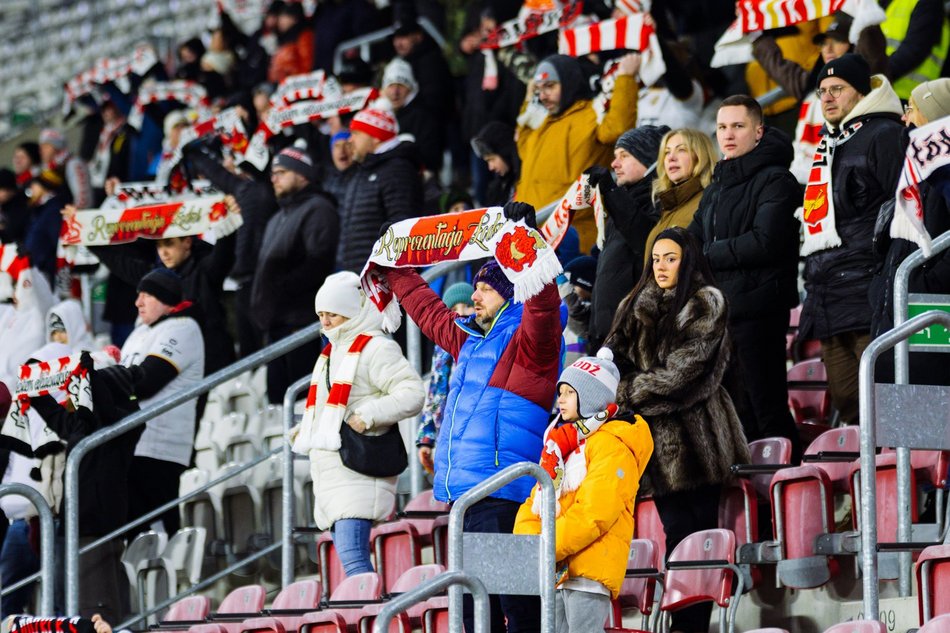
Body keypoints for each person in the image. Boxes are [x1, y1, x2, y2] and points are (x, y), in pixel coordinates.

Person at [380, 202, 560, 633]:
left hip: (505, 493)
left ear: (510, 291)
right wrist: (394, 265)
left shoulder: (531, 341)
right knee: (472, 613)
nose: (473, 295)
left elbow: (542, 301)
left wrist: (523, 240)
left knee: (516, 613)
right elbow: (426, 310)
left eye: (485, 289)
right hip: (468, 497)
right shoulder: (470, 341)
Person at [604, 227, 750, 633]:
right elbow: (610, 359)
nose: (662, 266)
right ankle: (683, 622)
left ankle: (692, 624)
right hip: (655, 446)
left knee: (697, 537)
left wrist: (629, 391)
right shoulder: (634, 304)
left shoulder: (707, 302)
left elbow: (687, 375)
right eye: (656, 258)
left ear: (687, 260)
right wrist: (619, 387)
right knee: (674, 534)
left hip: (698, 441)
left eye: (671, 258)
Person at [688, 95, 802, 458]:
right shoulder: (717, 186)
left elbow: (765, 242)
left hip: (760, 312)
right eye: (722, 127)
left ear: (758, 131)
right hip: (722, 314)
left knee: (767, 410)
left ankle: (791, 496)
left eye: (738, 126)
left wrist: (708, 254)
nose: (728, 134)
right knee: (738, 417)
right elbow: (692, 239)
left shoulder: (777, 180)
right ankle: (758, 509)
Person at [291, 272, 424, 576]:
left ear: (351, 312)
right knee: (349, 560)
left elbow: (413, 393)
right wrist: (307, 429)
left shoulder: (376, 348)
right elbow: (328, 407)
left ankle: (377, 618)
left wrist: (368, 416)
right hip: (334, 473)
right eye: (321, 315)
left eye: (332, 314)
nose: (324, 322)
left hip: (358, 471)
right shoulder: (329, 353)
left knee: (354, 561)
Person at [798, 55, 904, 425]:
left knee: (877, 397)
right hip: (828, 290)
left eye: (837, 89)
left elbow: (903, 205)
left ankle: (893, 480)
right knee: (847, 399)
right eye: (822, 91)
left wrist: (883, 270)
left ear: (861, 92)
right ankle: (865, 483)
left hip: (866, 286)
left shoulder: (884, 134)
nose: (827, 98)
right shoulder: (833, 141)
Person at [514, 350, 653, 633]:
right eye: (560, 392)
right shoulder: (560, 446)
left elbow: (596, 512)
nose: (560, 399)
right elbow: (535, 502)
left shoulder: (613, 444)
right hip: (556, 568)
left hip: (589, 568)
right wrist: (530, 546)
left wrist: (546, 546)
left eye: (569, 392)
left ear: (590, 397)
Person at [868, 78, 950, 387]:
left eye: (911, 109)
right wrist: (881, 287)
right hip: (896, 315)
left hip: (931, 322)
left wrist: (922, 282)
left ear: (933, 115)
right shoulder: (915, 169)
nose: (904, 117)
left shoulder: (942, 174)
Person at [516, 53, 640, 253]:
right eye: (539, 89)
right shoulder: (542, 123)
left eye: (550, 86)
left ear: (569, 82)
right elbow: (522, 146)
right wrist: (528, 98)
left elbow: (618, 128)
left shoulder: (592, 114)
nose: (543, 95)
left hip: (575, 242)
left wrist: (626, 79)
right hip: (534, 242)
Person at [253, 146, 339, 404]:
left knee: (302, 404)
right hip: (276, 325)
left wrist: (281, 290)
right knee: (278, 406)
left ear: (303, 175)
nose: (274, 178)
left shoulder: (319, 209)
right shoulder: (277, 217)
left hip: (300, 324)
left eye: (281, 172)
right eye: (272, 173)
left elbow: (319, 263)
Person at [121, 269, 204, 533]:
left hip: (161, 448)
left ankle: (168, 573)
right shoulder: (139, 332)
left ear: (165, 298)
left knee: (156, 530)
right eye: (138, 295)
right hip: (132, 444)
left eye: (146, 295)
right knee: (135, 530)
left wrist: (109, 383)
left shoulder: (183, 327)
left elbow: (146, 381)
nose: (138, 302)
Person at [583, 125, 668, 350]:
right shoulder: (622, 201)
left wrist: (610, 192)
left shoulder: (660, 199)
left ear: (649, 158)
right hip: (606, 332)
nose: (614, 164)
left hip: (632, 335)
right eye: (614, 157)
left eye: (625, 156)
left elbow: (644, 241)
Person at [753, 14, 858, 183]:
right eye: (824, 43)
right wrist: (757, 38)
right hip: (803, 175)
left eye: (837, 41)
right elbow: (781, 68)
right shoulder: (812, 85)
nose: (828, 49)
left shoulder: (862, 87)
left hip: (838, 179)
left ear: (853, 44)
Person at [336, 107, 423, 273]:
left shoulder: (397, 170)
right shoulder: (361, 171)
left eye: (356, 133)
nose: (350, 140)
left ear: (375, 137)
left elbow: (402, 228)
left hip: (384, 282)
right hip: (359, 277)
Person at [416, 282, 474, 474]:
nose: (462, 312)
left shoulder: (482, 340)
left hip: (471, 430)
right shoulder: (441, 348)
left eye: (467, 306)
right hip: (446, 433)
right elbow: (435, 394)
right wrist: (427, 438)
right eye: (454, 309)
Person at [646, 128, 718, 261]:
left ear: (700, 156)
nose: (671, 158)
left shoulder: (709, 201)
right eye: (666, 152)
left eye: (681, 150)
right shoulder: (668, 206)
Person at [380, 58, 444, 174]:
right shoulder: (378, 115)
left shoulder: (424, 117)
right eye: (391, 85)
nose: (395, 92)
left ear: (411, 89)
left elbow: (431, 159)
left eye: (401, 85)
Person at [37, 128, 92, 209]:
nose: (41, 151)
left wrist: (70, 217)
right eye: (41, 147)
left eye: (45, 146)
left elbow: (84, 201)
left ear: (56, 147)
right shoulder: (50, 170)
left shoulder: (73, 164)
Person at [471, 121, 520, 207]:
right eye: (487, 161)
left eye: (492, 159)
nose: (490, 167)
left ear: (504, 152)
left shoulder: (524, 179)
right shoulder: (497, 189)